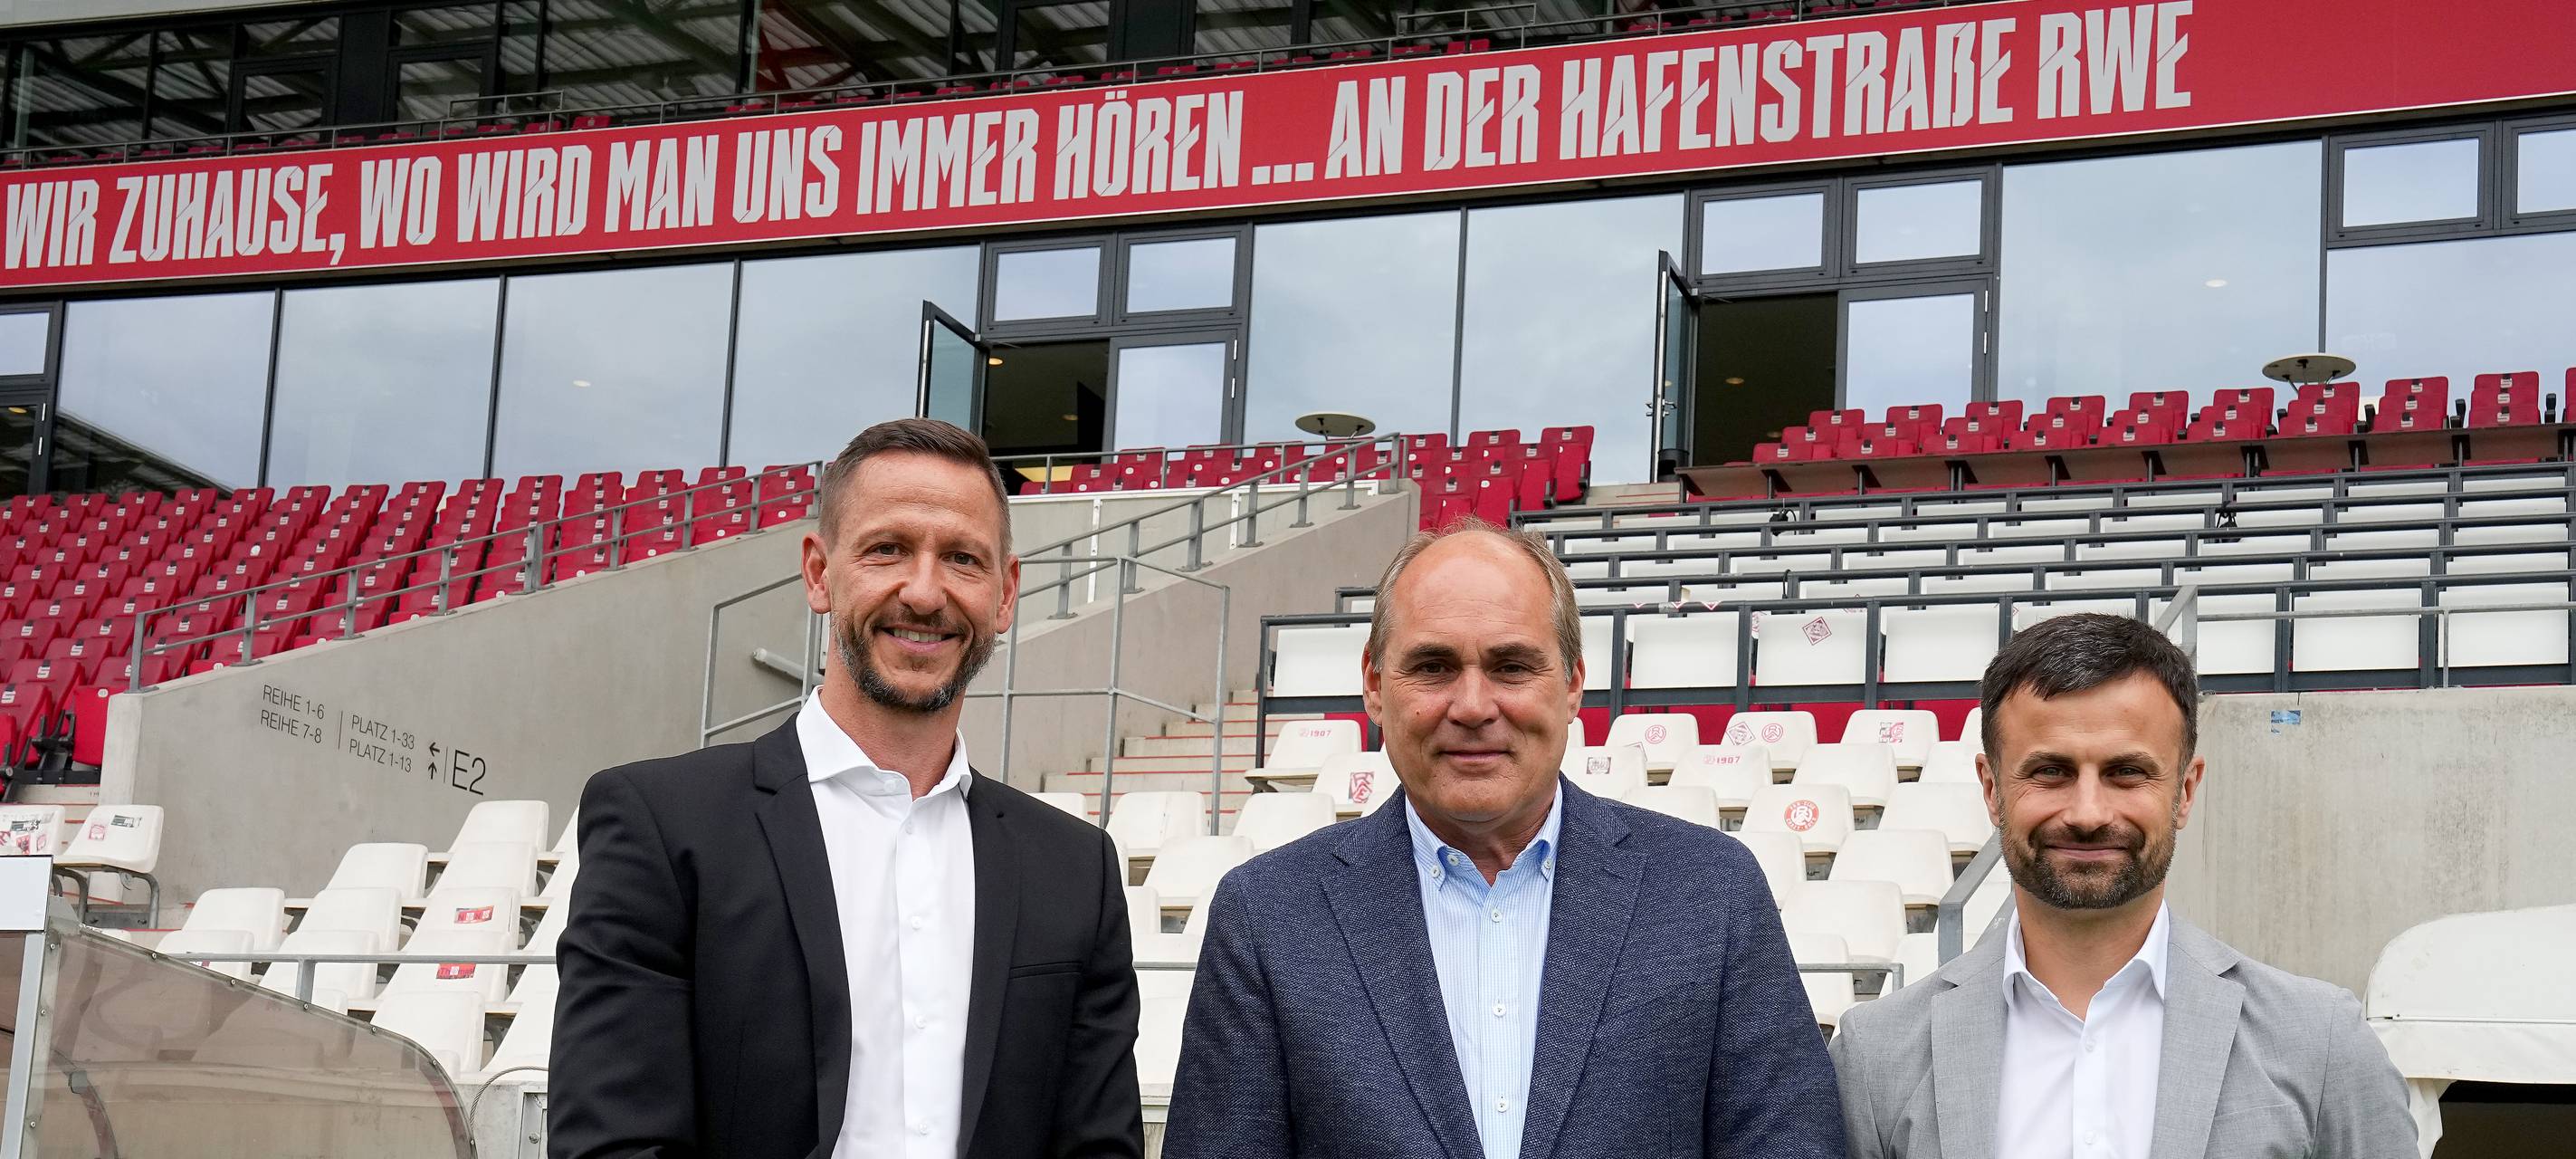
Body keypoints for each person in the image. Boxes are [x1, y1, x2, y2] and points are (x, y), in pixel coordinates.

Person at [551, 418, 1142, 1159]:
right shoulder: (663, 829)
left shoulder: (1075, 869)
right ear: (818, 572)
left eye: (962, 558)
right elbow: (615, 1145)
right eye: (888, 549)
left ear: (1005, 592)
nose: (924, 594)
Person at [1163, 520, 1846, 1159]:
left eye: (1512, 666)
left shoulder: (1710, 893)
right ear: (1374, 685)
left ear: (1574, 684)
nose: (1472, 706)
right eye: (1432, 667)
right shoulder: (1267, 915)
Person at [1828, 613, 2415, 1158]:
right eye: (2050, 771)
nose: (2087, 813)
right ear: (1990, 789)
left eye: (2126, 772)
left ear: (2185, 791)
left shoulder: (2321, 1044)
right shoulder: (1877, 1056)